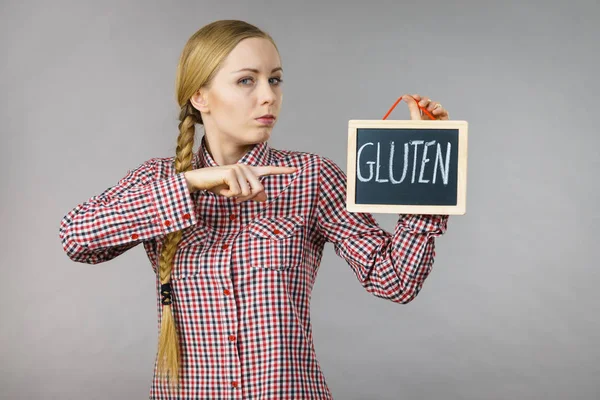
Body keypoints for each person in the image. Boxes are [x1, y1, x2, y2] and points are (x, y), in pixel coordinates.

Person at [59, 19, 450, 400]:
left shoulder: (311, 177)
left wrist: (426, 168)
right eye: (246, 80)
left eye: (274, 79)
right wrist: (192, 184)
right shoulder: (157, 181)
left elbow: (395, 281)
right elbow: (77, 238)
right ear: (200, 96)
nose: (268, 96)